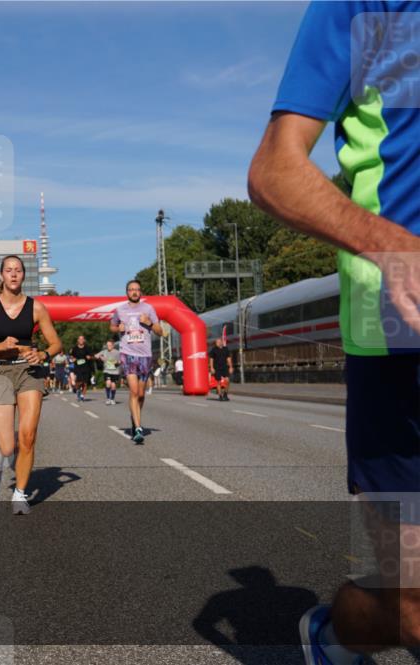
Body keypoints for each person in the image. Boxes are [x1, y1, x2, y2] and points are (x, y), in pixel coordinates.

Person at [248, 3, 420, 662]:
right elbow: (273, 169)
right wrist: (389, 243)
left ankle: (344, 631)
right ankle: (340, 630)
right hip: (398, 339)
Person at [0, 255, 61, 515]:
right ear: (1, 275)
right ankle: (14, 456)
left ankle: (20, 492)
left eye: (18, 270)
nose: (13, 274)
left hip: (28, 371)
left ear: (24, 276)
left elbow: (56, 343)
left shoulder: (36, 308)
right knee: (7, 447)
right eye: (9, 270)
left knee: (28, 436)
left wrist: (43, 354)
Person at [111, 279, 164, 444]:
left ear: (140, 292)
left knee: (141, 394)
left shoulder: (148, 309)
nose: (134, 292)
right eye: (131, 289)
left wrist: (148, 323)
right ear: (127, 292)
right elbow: (112, 326)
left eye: (137, 289)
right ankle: (139, 428)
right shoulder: (120, 310)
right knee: (133, 391)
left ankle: (135, 417)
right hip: (127, 353)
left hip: (145, 355)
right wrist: (117, 329)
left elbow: (160, 331)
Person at [96, 339, 121, 406]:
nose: (108, 346)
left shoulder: (117, 352)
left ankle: (112, 399)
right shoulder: (104, 351)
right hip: (107, 370)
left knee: (113, 385)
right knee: (108, 383)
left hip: (115, 371)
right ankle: (108, 399)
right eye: (107, 345)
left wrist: (116, 362)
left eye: (110, 345)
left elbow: (121, 361)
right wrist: (100, 357)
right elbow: (96, 355)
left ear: (113, 345)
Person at [69, 335, 92, 402]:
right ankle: (77, 390)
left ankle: (82, 396)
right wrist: (73, 359)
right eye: (80, 339)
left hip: (86, 367)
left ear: (84, 340)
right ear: (78, 340)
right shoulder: (74, 349)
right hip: (78, 368)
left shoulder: (87, 348)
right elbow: (71, 356)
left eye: (82, 339)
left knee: (85, 383)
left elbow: (91, 356)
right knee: (79, 382)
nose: (81, 340)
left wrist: (89, 357)